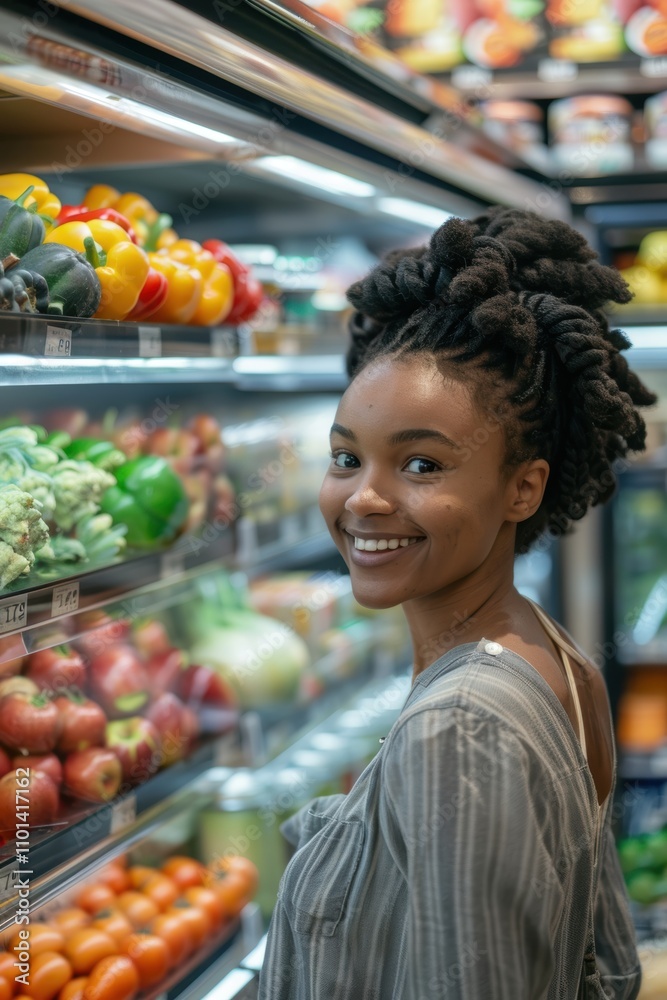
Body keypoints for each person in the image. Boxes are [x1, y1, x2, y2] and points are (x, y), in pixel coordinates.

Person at [258, 207, 654, 999]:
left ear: (522, 487)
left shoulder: (460, 728)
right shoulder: (546, 650)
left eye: (421, 464)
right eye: (346, 456)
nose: (363, 499)